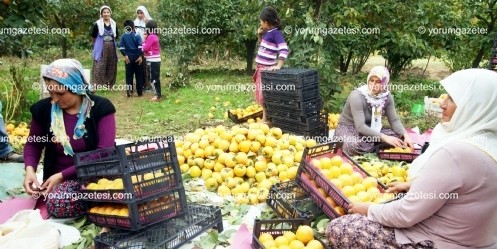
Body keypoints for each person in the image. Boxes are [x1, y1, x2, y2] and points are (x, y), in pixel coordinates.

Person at [326, 68, 497, 249]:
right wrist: (411, 185)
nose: (442, 104)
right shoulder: (488, 143)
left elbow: (406, 215)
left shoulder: (454, 153)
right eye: (372, 80)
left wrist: (368, 209)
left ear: (475, 106)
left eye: (452, 99)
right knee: (358, 143)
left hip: (443, 241)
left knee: (340, 228)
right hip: (480, 240)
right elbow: (464, 188)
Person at [23, 59, 116, 218]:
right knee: (59, 201)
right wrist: (30, 170)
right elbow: (33, 144)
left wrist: (63, 176)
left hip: (95, 174)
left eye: (60, 93)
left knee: (61, 202)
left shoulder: (101, 108)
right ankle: (100, 202)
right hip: (57, 178)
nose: (55, 99)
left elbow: (104, 152)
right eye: (51, 93)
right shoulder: (43, 109)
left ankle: (103, 200)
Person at [333, 66, 413, 155]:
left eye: (378, 82)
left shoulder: (386, 97)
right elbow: (360, 127)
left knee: (399, 137)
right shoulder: (357, 96)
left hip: (371, 127)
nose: (373, 85)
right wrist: (384, 137)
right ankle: (375, 145)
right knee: (353, 145)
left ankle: (372, 144)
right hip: (349, 128)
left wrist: (406, 135)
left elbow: (394, 120)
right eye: (371, 80)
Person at [253, 6, 289, 123]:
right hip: (260, 68)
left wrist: (279, 65)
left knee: (265, 94)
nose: (260, 24)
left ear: (266, 22)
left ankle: (265, 118)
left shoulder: (276, 33)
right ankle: (266, 117)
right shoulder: (268, 33)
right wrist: (259, 35)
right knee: (261, 93)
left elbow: (284, 49)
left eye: (261, 22)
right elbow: (263, 46)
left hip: (266, 69)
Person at [91, 5, 118, 88]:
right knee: (100, 64)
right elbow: (93, 36)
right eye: (104, 12)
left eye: (107, 12)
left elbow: (116, 35)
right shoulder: (97, 24)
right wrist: (96, 45)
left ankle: (109, 84)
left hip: (111, 46)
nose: (106, 14)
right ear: (101, 14)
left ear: (110, 13)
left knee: (111, 64)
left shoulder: (113, 24)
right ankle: (98, 84)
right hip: (101, 46)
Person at [118, 20, 144, 97]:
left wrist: (125, 55)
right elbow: (140, 47)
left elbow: (120, 46)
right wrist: (140, 56)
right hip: (137, 57)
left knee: (129, 75)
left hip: (128, 58)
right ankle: (139, 92)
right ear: (133, 27)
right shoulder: (137, 36)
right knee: (139, 75)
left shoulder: (123, 36)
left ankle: (129, 91)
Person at [142, 20, 162, 102]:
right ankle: (157, 94)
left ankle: (157, 95)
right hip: (154, 60)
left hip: (153, 60)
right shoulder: (155, 36)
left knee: (153, 78)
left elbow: (145, 48)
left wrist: (144, 40)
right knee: (155, 77)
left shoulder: (151, 37)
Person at [134, 6, 153, 91]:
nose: (139, 15)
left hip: (147, 46)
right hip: (138, 46)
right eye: (138, 13)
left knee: (147, 66)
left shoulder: (149, 22)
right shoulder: (135, 22)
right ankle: (140, 84)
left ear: (144, 13)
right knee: (139, 65)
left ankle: (148, 84)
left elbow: (153, 33)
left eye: (141, 13)